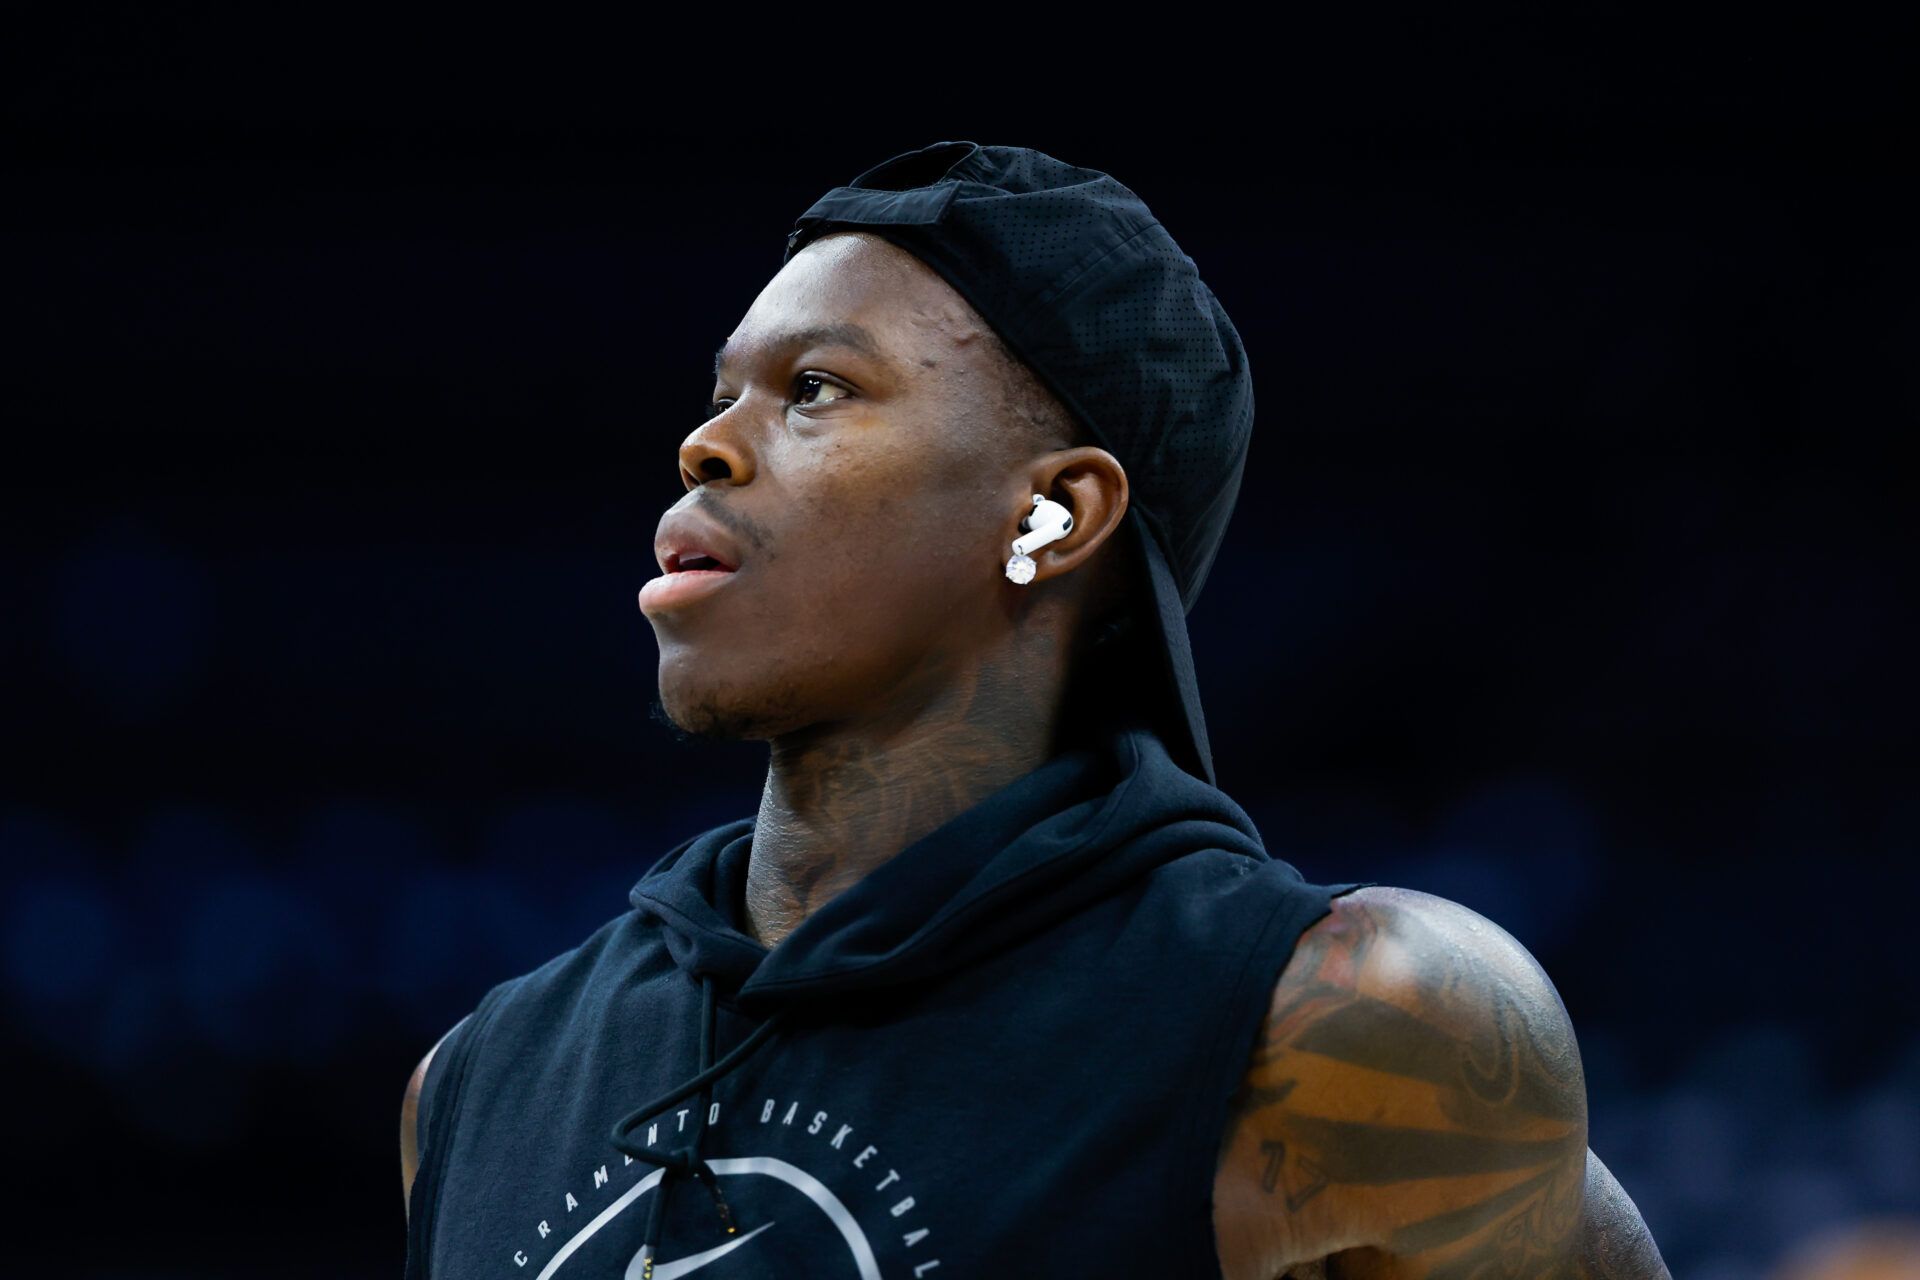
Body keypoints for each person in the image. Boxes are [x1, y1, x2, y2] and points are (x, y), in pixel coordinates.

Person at [399, 141, 1671, 1278]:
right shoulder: (479, 1074)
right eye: (722, 391)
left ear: (1054, 514)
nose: (707, 443)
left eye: (816, 387)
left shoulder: (1350, 1028)